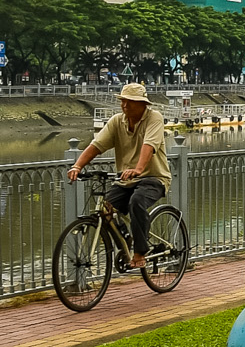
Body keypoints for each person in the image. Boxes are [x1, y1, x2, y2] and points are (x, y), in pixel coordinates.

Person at [67, 82, 170, 270]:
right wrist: (77, 165)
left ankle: (140, 252)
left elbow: (149, 146)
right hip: (126, 179)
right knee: (106, 209)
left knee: (136, 201)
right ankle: (126, 238)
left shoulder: (154, 118)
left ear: (142, 104)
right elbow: (96, 146)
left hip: (154, 178)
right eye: (123, 101)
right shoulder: (117, 121)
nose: (125, 105)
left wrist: (138, 169)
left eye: (130, 102)